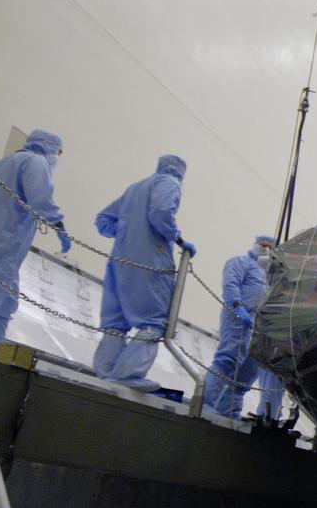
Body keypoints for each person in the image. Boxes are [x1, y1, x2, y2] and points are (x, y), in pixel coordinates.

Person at [92, 155, 195, 390]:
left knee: (115, 322)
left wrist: (129, 234)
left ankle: (105, 371)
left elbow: (104, 219)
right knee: (154, 322)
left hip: (120, 261)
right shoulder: (169, 184)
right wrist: (178, 239)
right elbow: (160, 213)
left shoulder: (136, 188)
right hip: (150, 263)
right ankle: (127, 375)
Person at [0, 130, 72, 344]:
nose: (57, 160)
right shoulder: (36, 162)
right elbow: (40, 197)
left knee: (6, 299)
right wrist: (58, 224)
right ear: (50, 148)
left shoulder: (0, 164)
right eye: (58, 154)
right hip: (2, 241)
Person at [204, 235, 282, 419]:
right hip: (239, 318)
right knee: (227, 359)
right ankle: (206, 402)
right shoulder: (240, 262)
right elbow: (231, 284)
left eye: (271, 247)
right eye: (263, 245)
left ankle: (228, 410)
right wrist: (238, 307)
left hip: (258, 327)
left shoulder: (270, 275)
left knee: (247, 373)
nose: (266, 250)